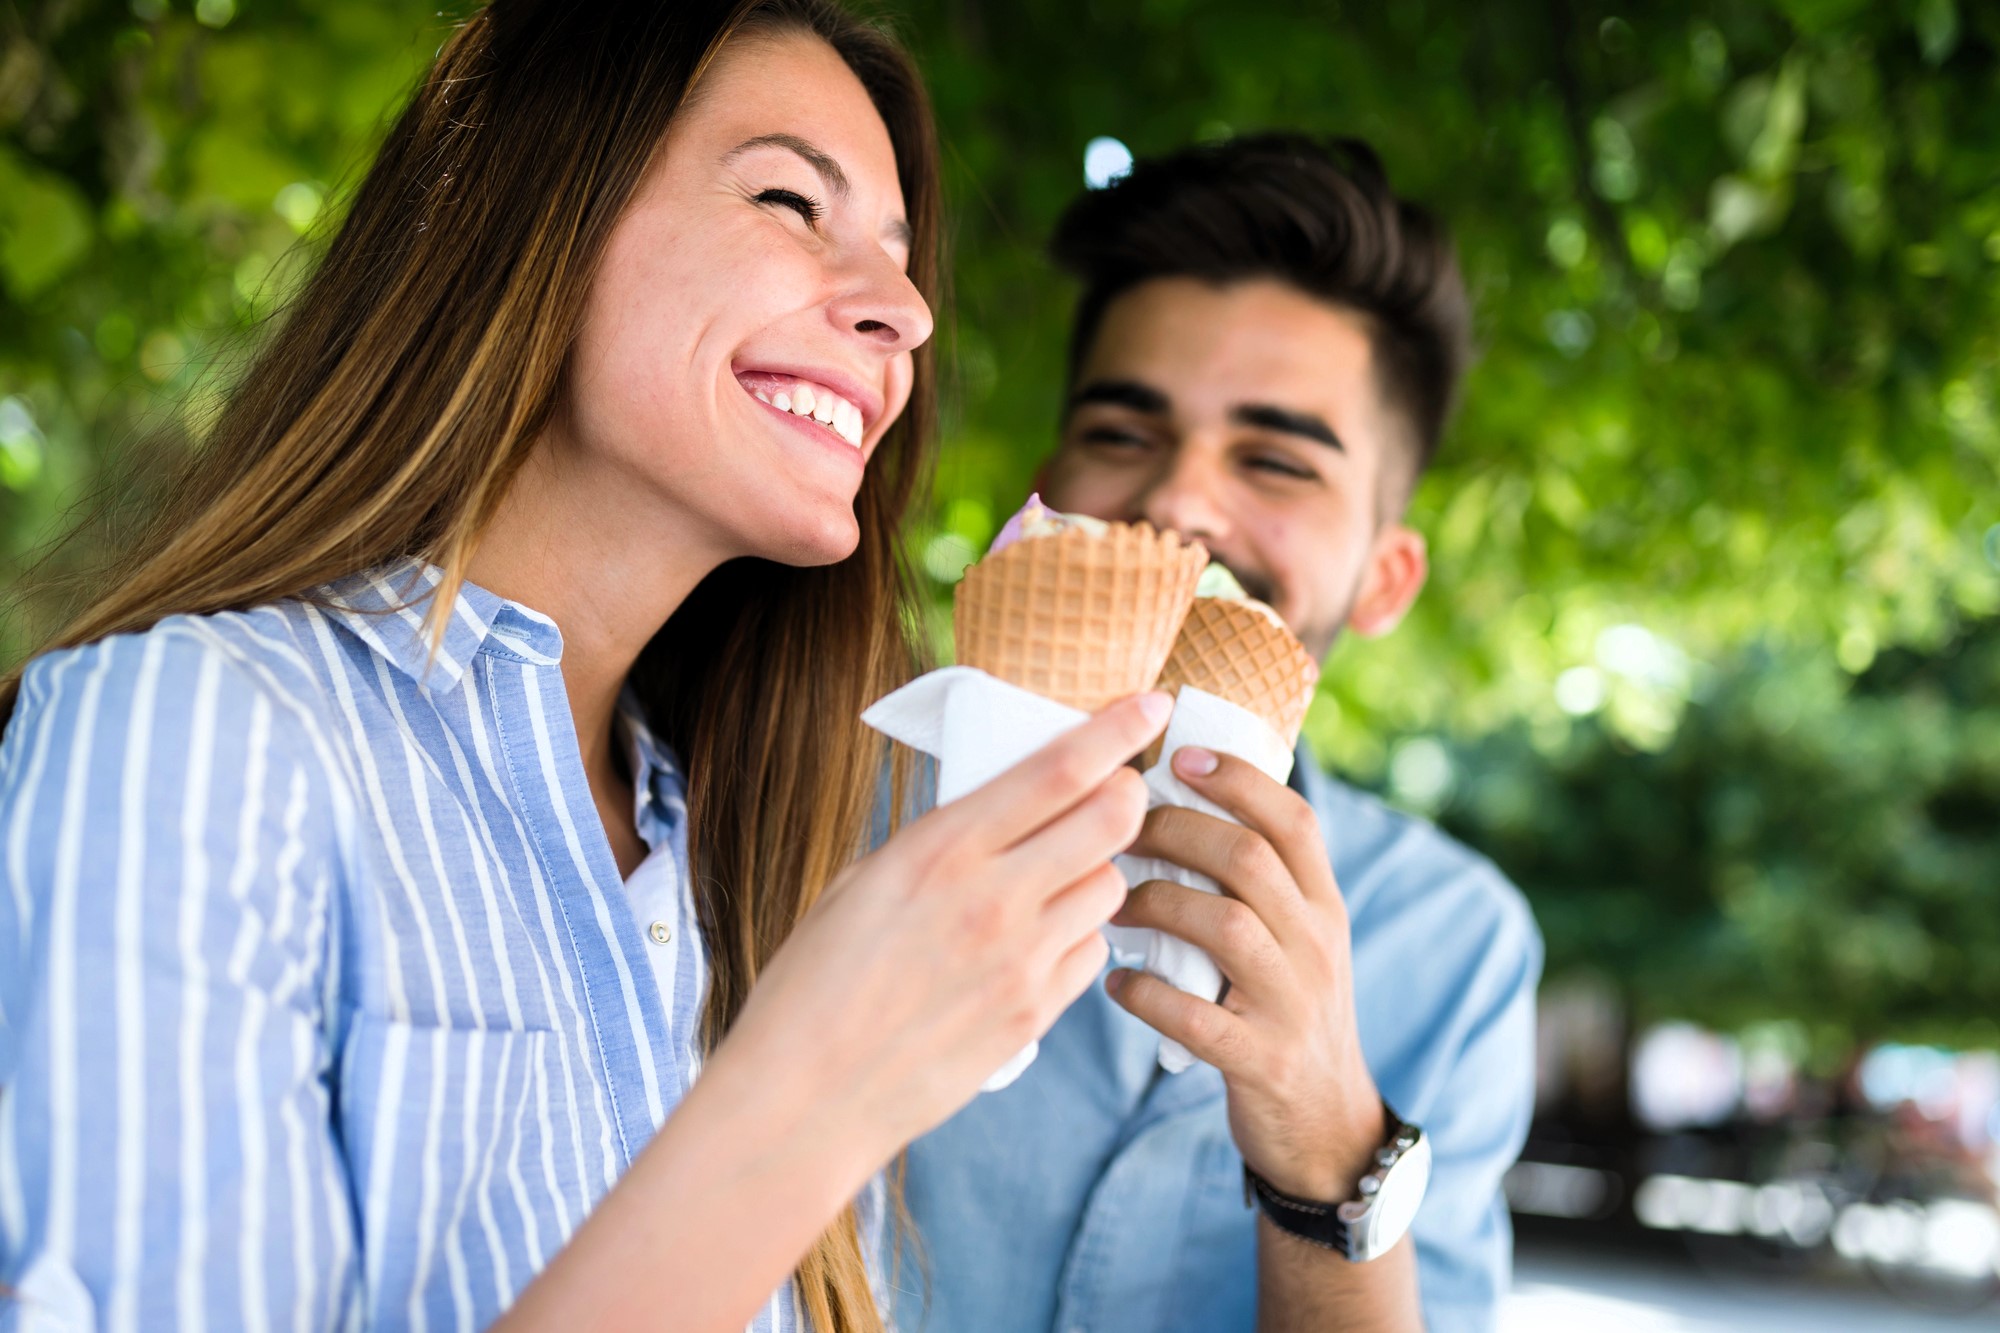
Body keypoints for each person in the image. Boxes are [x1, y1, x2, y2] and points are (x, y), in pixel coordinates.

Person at [0, 3, 1170, 1330]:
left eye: (902, 265)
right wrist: (812, 1093)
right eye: (792, 200)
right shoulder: (193, 733)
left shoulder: (744, 861)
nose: (903, 312)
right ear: (529, 214)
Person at [899, 136, 1544, 1333]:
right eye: (1121, 433)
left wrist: (1328, 1146)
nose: (1179, 502)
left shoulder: (1459, 945)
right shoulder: (832, 819)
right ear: (1044, 491)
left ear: (1383, 577)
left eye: (1275, 459)